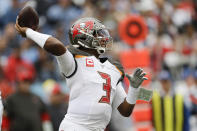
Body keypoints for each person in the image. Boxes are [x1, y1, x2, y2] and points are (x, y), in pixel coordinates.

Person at [15, 17, 148, 131]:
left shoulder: (113, 68)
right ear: (83, 37)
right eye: (98, 33)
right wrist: (29, 32)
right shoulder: (74, 60)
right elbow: (56, 46)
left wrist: (134, 89)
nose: (104, 36)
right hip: (75, 127)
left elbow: (125, 110)